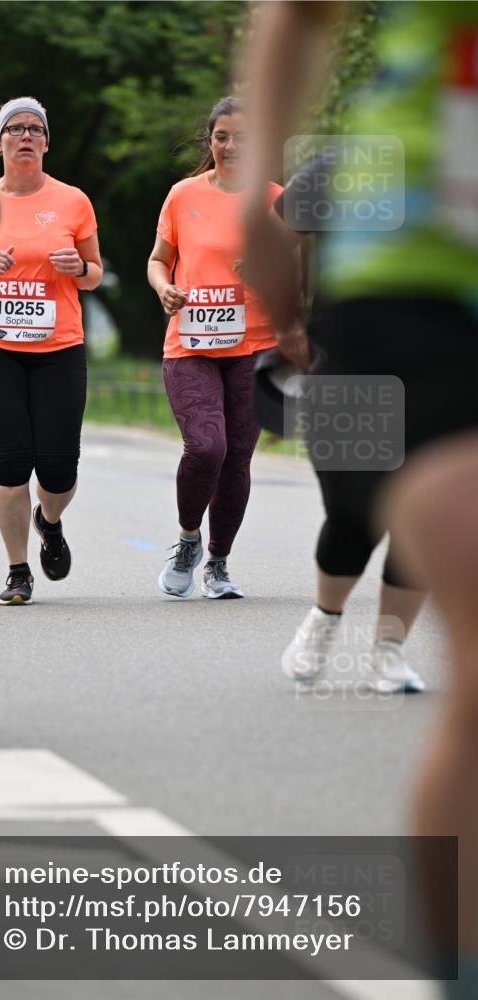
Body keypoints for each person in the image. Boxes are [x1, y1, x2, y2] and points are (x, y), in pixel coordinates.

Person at [245, 1, 477, 994]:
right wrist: (277, 298)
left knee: (415, 546)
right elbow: (298, 15)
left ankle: (381, 652)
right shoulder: (347, 166)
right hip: (414, 295)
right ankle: (321, 628)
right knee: (350, 516)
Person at [0, 97, 102, 606]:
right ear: (0, 142)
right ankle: (17, 571)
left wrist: (78, 268)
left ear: (47, 142)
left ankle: (49, 522)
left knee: (58, 468)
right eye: (16, 129)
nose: (26, 136)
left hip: (58, 348)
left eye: (36, 128)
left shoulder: (74, 201)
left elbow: (95, 274)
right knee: (11, 461)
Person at [147, 96, 282, 600]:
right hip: (191, 342)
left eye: (242, 136)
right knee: (207, 446)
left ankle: (219, 564)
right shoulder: (183, 195)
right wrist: (163, 286)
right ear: (211, 140)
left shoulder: (276, 199)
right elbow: (159, 259)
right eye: (222, 135)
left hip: (256, 344)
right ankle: (188, 540)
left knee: (238, 458)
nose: (230, 145)